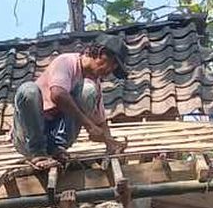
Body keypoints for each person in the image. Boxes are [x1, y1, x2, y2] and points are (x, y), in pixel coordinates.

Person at [13, 34, 129, 170]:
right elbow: (58, 94)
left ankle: (57, 148)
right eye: (112, 64)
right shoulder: (66, 62)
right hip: (29, 136)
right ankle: (38, 153)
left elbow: (100, 121)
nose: (110, 72)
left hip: (53, 138)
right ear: (100, 53)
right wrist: (89, 125)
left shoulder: (94, 83)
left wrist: (110, 144)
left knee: (88, 90)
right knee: (28, 90)